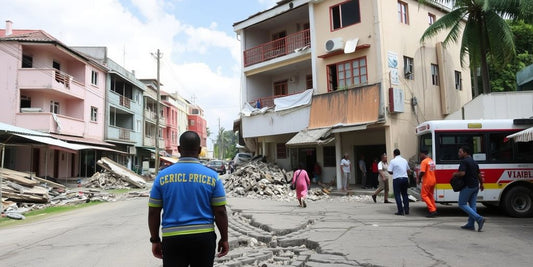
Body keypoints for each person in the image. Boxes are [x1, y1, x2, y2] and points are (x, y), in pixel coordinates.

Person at [148, 131, 229, 266]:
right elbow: (220, 211)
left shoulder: (162, 177)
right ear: (199, 150)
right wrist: (224, 238)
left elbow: (153, 212)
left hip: (172, 238)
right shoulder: (213, 176)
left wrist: (155, 240)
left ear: (179, 149)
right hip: (203, 238)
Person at [453, 146, 485, 231]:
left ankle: (479, 218)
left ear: (465, 153)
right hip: (475, 186)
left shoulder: (464, 161)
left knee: (462, 204)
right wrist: (481, 184)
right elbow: (479, 174)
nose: (458, 153)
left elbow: (462, 173)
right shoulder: (474, 162)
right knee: (472, 205)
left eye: (460, 152)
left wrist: (455, 174)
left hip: (468, 186)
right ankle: (471, 224)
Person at [388, 149, 412, 215]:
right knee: (405, 194)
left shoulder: (393, 161)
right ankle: (406, 210)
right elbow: (409, 171)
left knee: (397, 195)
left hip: (397, 179)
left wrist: (395, 172)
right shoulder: (404, 160)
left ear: (394, 154)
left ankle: (400, 211)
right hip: (405, 179)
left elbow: (389, 171)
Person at [418, 149, 437, 217]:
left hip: (427, 181)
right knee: (430, 195)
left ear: (423, 154)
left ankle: (432, 210)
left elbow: (422, 172)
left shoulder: (424, 162)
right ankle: (434, 208)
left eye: (420, 154)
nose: (420, 156)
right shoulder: (431, 161)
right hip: (433, 180)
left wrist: (419, 179)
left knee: (424, 195)